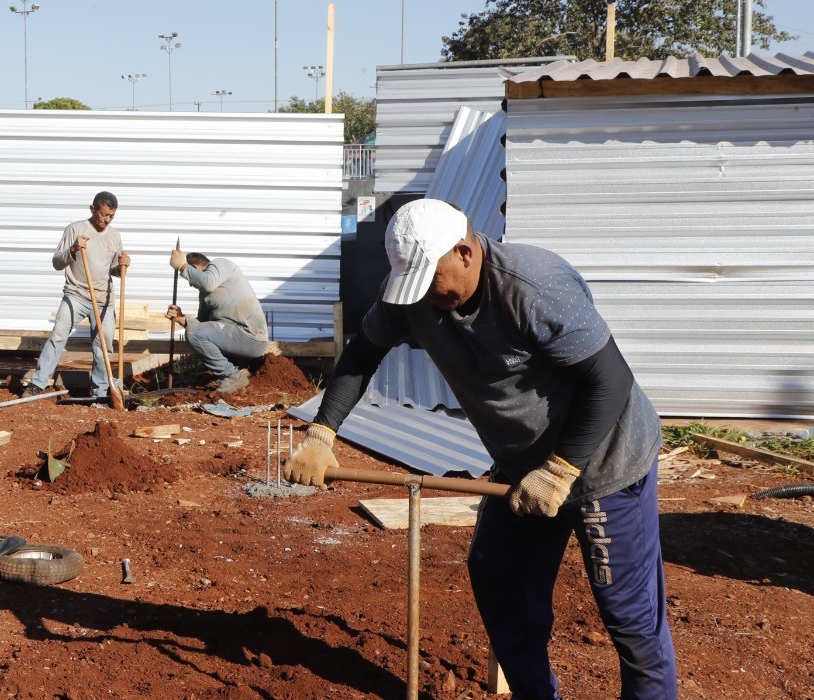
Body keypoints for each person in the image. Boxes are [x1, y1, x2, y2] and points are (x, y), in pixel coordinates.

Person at [283, 199, 675, 700]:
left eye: (432, 281)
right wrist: (322, 433)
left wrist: (560, 471)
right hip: (521, 465)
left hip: (605, 461)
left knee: (630, 618)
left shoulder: (535, 287)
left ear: (466, 252)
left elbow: (611, 381)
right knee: (499, 576)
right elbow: (363, 352)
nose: (423, 296)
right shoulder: (413, 293)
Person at [21, 191, 130, 400]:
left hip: (103, 298)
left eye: (111, 217)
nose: (106, 220)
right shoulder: (76, 229)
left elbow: (114, 269)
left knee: (104, 345)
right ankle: (38, 383)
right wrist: (72, 250)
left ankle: (100, 391)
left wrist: (123, 266)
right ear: (92, 209)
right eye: (103, 215)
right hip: (76, 293)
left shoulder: (114, 235)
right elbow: (57, 262)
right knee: (58, 336)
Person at [164, 250, 268, 393]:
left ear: (194, 268)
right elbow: (204, 326)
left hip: (251, 337)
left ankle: (232, 376)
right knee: (196, 332)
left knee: (194, 332)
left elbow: (208, 283)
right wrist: (182, 318)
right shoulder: (206, 295)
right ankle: (237, 369)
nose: (190, 284)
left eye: (189, 276)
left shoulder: (221, 265)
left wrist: (182, 266)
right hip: (234, 338)